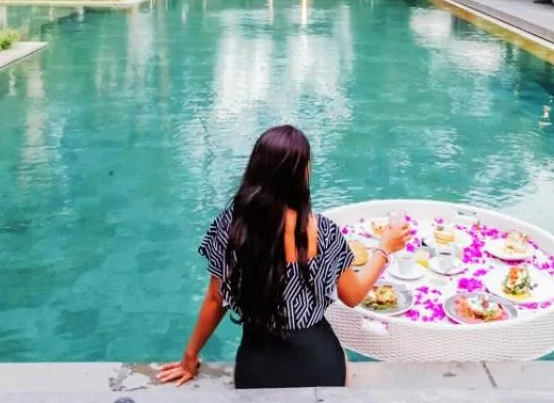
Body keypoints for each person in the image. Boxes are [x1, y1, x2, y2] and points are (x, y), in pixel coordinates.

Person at [158, 125, 411, 389]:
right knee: (341, 361)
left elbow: (215, 299)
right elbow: (353, 295)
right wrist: (384, 249)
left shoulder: (231, 229)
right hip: (320, 367)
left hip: (256, 372)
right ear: (301, 174)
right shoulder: (323, 232)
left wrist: (189, 358)